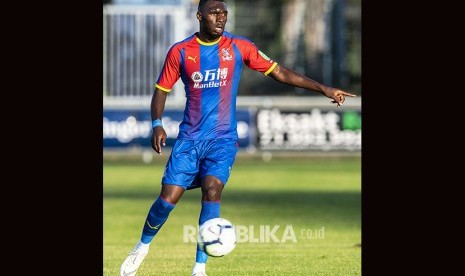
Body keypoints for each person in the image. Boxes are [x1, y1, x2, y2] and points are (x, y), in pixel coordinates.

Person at [120, 0, 356, 275]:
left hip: (222, 139)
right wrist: (157, 124)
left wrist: (323, 88)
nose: (220, 18)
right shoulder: (181, 51)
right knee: (167, 199)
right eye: (214, 13)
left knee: (212, 189)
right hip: (190, 140)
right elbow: (161, 90)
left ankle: (199, 268)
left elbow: (278, 71)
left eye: (224, 13)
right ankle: (142, 246)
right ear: (199, 16)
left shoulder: (239, 46)